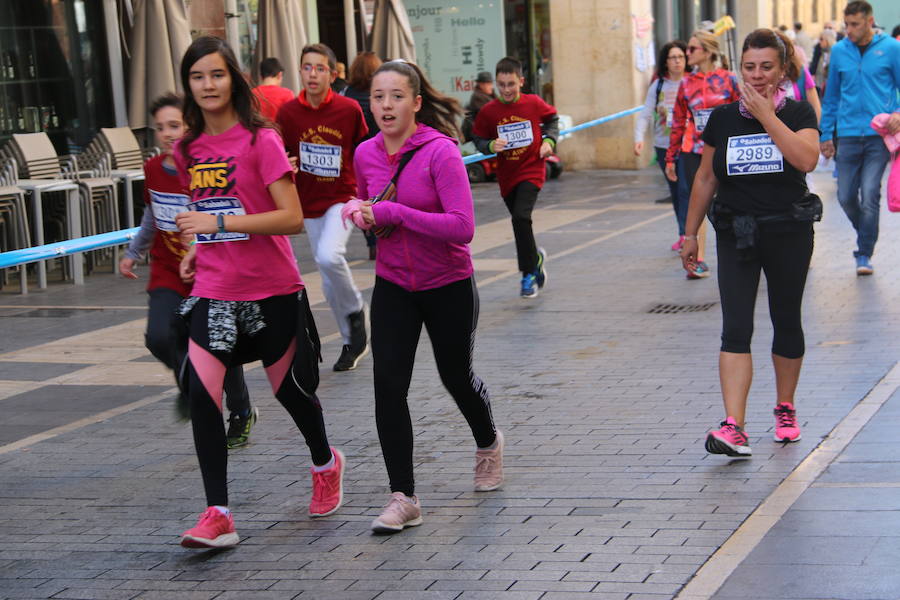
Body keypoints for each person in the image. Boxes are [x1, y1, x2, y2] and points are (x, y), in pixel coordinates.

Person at [172, 36, 345, 549]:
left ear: (235, 80)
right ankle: (218, 513)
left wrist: (216, 220)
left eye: (217, 75)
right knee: (202, 396)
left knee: (290, 392)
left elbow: (291, 218)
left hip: (272, 290)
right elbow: (207, 214)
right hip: (214, 292)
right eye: (197, 76)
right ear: (188, 85)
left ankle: (325, 461)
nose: (207, 85)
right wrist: (197, 246)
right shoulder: (186, 150)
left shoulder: (260, 141)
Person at [348, 59, 503, 534]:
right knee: (388, 385)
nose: (386, 105)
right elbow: (368, 203)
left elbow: (463, 228)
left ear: (416, 103)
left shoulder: (441, 152)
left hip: (448, 284)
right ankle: (404, 496)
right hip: (394, 284)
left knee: (455, 376)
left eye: (396, 96)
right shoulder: (364, 154)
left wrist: (395, 210)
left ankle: (488, 442)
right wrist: (360, 213)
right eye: (378, 96)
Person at [681, 28, 821, 457]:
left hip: (788, 231)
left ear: (782, 71)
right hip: (736, 233)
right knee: (735, 326)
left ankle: (784, 407)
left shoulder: (797, 113)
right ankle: (734, 426)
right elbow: (706, 178)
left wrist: (768, 117)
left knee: (785, 318)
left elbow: (807, 159)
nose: (757, 76)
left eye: (766, 68)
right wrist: (690, 233)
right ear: (739, 69)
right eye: (749, 67)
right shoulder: (722, 118)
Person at [118, 93, 258, 450]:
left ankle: (240, 411)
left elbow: (225, 211)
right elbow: (151, 216)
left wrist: (207, 247)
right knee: (158, 337)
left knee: (219, 346)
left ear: (190, 125)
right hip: (167, 269)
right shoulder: (151, 170)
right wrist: (134, 251)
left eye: (175, 126)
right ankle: (191, 384)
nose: (167, 134)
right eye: (160, 128)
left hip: (209, 270)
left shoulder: (203, 165)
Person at [276, 43, 370, 372]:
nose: (312, 74)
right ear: (299, 71)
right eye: (306, 67)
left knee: (330, 256)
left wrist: (367, 191)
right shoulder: (287, 114)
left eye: (320, 68)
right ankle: (351, 340)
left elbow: (364, 150)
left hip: (343, 197)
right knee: (327, 276)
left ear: (333, 73)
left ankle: (356, 310)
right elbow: (279, 156)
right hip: (308, 203)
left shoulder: (347, 110)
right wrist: (286, 163)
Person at [820, 0, 900, 276]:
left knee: (869, 194)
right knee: (844, 196)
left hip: (879, 136)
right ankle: (866, 232)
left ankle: (863, 252)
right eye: (847, 24)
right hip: (848, 134)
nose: (849, 30)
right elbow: (830, 98)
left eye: (855, 24)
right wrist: (826, 134)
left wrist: (898, 112)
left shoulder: (891, 48)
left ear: (869, 21)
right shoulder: (840, 51)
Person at [472, 56, 559, 298]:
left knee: (521, 218)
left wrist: (549, 141)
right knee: (521, 222)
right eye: (501, 85)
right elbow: (477, 137)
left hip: (532, 168)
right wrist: (490, 145)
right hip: (506, 175)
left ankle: (527, 275)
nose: (507, 90)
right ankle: (536, 259)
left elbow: (552, 120)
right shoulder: (489, 111)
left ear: (520, 81)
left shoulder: (533, 103)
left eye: (511, 84)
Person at [665, 31, 740, 279]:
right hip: (693, 149)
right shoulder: (686, 83)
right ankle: (697, 259)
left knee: (729, 201)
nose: (688, 54)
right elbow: (677, 121)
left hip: (725, 148)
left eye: (693, 49)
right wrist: (670, 157)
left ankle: (744, 249)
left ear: (707, 52)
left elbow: (744, 113)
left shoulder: (728, 80)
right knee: (697, 201)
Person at [634, 40, 689, 251]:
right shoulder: (658, 86)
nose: (677, 61)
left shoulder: (691, 83)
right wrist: (638, 138)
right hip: (663, 145)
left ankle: (687, 234)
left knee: (685, 188)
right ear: (665, 62)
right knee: (675, 191)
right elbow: (646, 113)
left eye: (680, 57)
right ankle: (682, 231)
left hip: (686, 144)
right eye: (672, 57)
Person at [343, 51, 384, 260]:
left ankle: (371, 239)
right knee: (381, 192)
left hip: (358, 153)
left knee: (363, 196)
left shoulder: (347, 93)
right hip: (380, 149)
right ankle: (381, 235)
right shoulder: (377, 92)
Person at [775, 30, 821, 122]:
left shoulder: (801, 72)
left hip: (801, 131)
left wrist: (813, 132)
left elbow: (815, 107)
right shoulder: (763, 77)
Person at [461, 71, 495, 142]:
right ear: (481, 85)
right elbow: (490, 115)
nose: (491, 86)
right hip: (483, 137)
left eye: (491, 83)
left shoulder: (489, 95)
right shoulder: (477, 97)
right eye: (488, 84)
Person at [811, 29, 837, 97]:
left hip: (829, 88)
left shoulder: (834, 53)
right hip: (819, 85)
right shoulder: (822, 52)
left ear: (828, 40)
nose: (820, 42)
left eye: (821, 39)